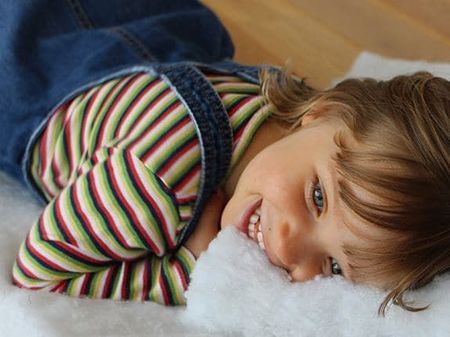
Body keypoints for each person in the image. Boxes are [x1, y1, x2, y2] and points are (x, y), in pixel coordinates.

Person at [3, 0, 449, 316]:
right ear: (322, 112)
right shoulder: (154, 181)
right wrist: (187, 271)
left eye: (333, 266)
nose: (288, 245)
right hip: (35, 75)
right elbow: (40, 274)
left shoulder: (292, 117)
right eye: (317, 197)